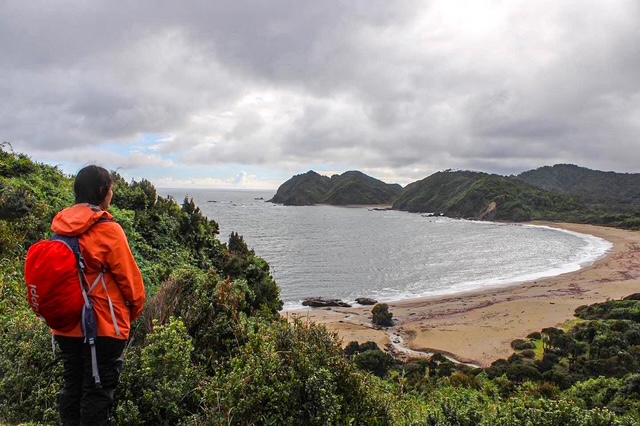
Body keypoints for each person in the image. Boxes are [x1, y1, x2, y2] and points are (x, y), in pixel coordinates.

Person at [51, 165, 146, 426]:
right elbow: (133, 286)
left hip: (65, 327)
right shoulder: (108, 230)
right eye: (112, 190)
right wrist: (129, 317)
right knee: (98, 391)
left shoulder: (60, 229)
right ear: (104, 192)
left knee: (72, 386)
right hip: (104, 328)